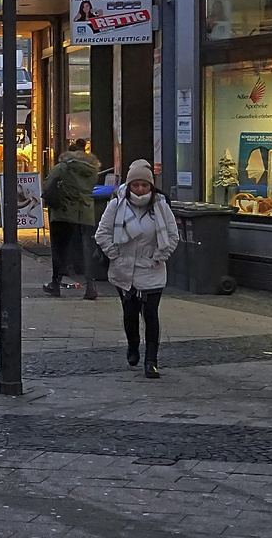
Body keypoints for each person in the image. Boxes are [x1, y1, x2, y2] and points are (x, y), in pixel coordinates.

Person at [93, 160, 180, 379]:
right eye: (136, 185)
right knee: (130, 313)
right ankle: (133, 345)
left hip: (151, 267)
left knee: (150, 315)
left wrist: (159, 256)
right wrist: (115, 255)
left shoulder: (161, 205)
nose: (140, 190)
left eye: (145, 185)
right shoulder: (116, 205)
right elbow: (102, 233)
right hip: (123, 268)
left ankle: (151, 360)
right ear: (129, 185)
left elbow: (171, 235)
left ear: (151, 186)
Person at [42, 140, 100, 299]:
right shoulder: (92, 169)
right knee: (86, 250)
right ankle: (90, 287)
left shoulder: (63, 167)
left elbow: (47, 186)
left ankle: (56, 284)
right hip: (86, 213)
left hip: (63, 213)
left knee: (60, 249)